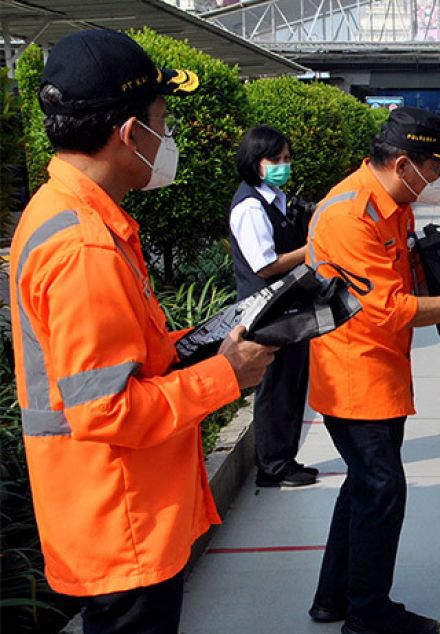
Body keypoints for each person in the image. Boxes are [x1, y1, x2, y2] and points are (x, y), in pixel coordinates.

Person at [9, 30, 275, 633]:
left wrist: (198, 341)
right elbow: (106, 410)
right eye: (162, 121)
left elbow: (114, 360)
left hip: (109, 511)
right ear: (130, 133)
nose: (168, 137)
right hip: (122, 521)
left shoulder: (63, 214)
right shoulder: (83, 246)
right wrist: (225, 372)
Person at [306, 107, 440, 634]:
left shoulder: (393, 204)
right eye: (434, 168)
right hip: (355, 375)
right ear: (405, 163)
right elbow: (389, 308)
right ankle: (367, 613)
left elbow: (411, 281)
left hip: (380, 368)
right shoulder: (349, 215)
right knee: (382, 490)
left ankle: (332, 597)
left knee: (364, 485)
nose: (439, 179)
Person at [228, 125, 317, 488]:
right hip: (267, 311)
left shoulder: (274, 198)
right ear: (255, 162)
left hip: (288, 307)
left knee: (292, 385)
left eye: (287, 158)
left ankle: (286, 458)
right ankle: (272, 466)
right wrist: (312, 251)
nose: (284, 165)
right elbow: (264, 264)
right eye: (275, 160)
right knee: (276, 387)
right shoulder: (250, 206)